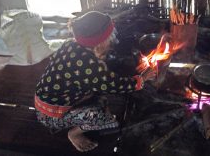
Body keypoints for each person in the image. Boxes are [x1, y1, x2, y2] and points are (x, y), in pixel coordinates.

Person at [34, 11, 156, 152]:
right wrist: (142, 79)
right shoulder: (90, 66)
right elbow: (116, 85)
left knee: (99, 97)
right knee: (110, 123)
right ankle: (74, 133)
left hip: (43, 100)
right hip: (50, 115)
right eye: (109, 38)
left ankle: (82, 112)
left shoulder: (70, 44)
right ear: (99, 42)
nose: (112, 41)